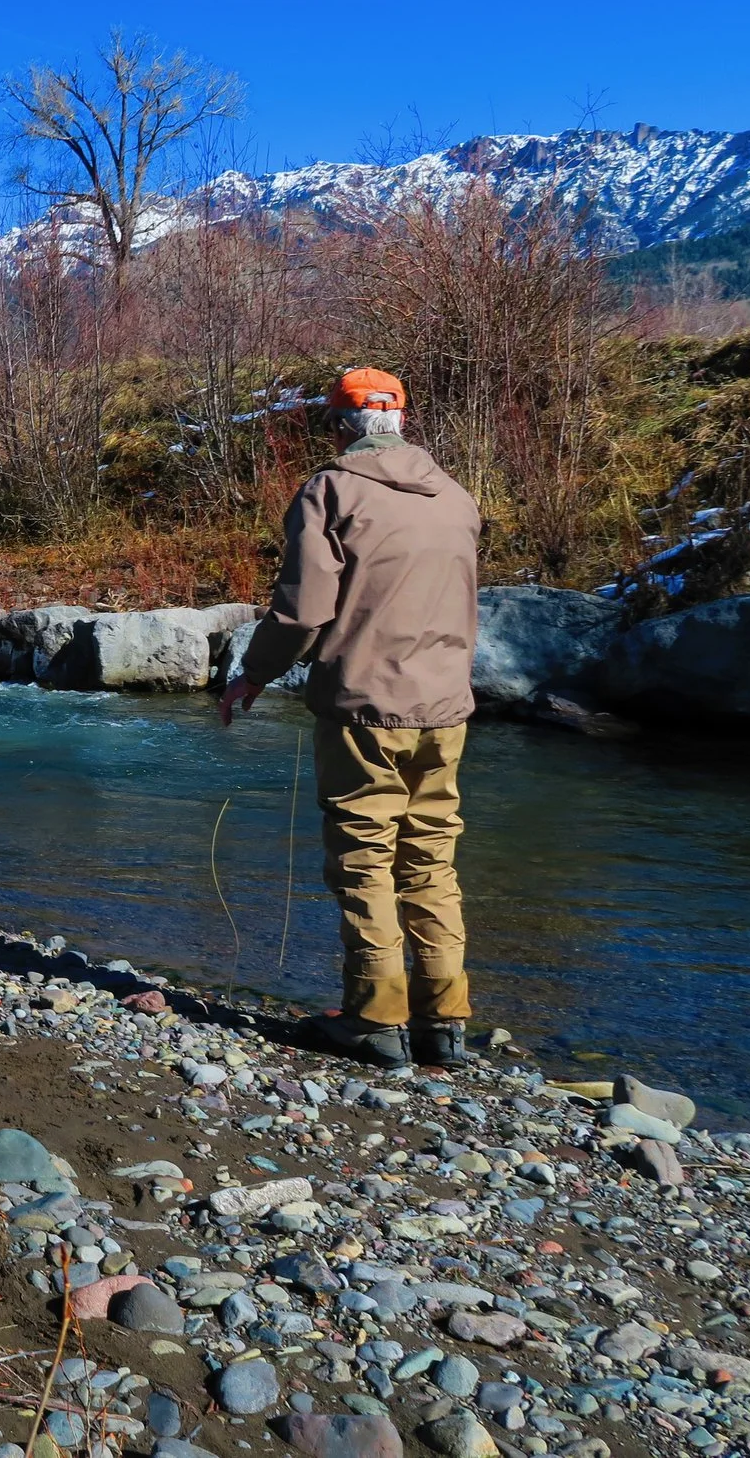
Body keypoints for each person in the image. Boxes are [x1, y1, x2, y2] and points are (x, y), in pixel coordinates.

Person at [217, 367, 484, 1068]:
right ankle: (444, 1019)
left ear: (339, 427)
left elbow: (303, 611)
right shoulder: (455, 496)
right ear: (402, 421)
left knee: (365, 859)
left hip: (366, 709)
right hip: (446, 710)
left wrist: (253, 675)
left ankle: (374, 1017)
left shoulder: (330, 491)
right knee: (430, 859)